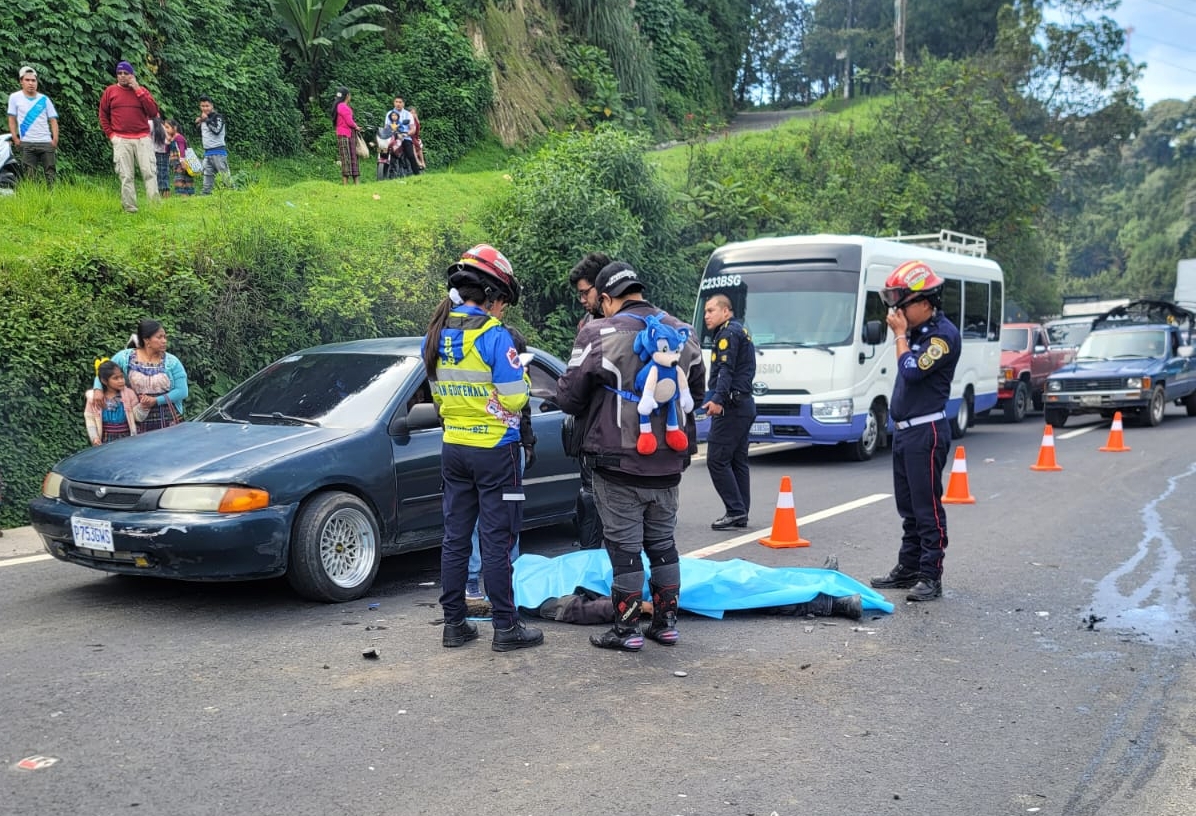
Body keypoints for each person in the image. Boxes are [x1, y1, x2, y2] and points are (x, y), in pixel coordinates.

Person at [555, 262, 706, 651]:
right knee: (662, 543)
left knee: (623, 548)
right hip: (669, 463)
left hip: (617, 462)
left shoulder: (597, 332)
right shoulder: (682, 334)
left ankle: (626, 630)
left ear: (606, 298)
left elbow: (568, 396)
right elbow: (698, 395)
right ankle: (666, 624)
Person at [421, 244, 543, 652]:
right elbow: (514, 399)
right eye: (503, 301)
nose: (504, 310)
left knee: (456, 538)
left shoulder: (438, 334)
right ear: (490, 297)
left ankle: (454, 625)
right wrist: (522, 379)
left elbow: (438, 399)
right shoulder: (494, 335)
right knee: (497, 540)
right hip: (496, 450)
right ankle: (507, 628)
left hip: (454, 446)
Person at [869, 260, 961, 602]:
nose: (897, 311)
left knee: (927, 508)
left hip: (927, 432)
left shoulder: (943, 336)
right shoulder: (918, 331)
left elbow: (911, 371)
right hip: (905, 432)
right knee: (907, 507)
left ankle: (930, 574)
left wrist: (900, 336)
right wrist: (904, 334)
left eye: (903, 304)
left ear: (925, 302)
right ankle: (907, 567)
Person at [466, 324, 536, 601]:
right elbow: (521, 402)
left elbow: (523, 410)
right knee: (503, 519)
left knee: (491, 519)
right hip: (500, 450)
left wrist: (528, 442)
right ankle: (498, 582)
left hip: (484, 449)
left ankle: (499, 580)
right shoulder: (502, 364)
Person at [565, 251, 611, 551]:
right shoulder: (586, 325)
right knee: (589, 500)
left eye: (586, 292)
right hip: (589, 431)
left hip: (614, 432)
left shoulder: (625, 324)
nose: (582, 299)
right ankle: (592, 579)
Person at [701, 294, 757, 530]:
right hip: (744, 405)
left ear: (726, 311)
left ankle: (735, 510)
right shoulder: (740, 330)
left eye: (711, 310)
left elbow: (725, 370)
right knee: (737, 461)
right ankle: (740, 511)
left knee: (716, 459)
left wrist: (717, 399)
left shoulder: (727, 334)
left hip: (731, 407)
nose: (706, 316)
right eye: (705, 312)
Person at [92, 319, 189, 432]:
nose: (164, 341)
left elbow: (182, 391)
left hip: (168, 418)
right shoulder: (125, 357)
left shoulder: (172, 362)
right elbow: (103, 372)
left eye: (165, 337)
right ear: (146, 340)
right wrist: (98, 389)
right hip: (136, 415)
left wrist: (156, 400)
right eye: (159, 337)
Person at [98, 61, 161, 213]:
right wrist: (111, 135)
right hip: (121, 138)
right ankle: (130, 208)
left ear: (132, 75)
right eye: (119, 73)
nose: (122, 76)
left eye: (126, 73)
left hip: (142, 138)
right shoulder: (110, 91)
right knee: (126, 176)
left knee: (149, 172)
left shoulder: (142, 91)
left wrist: (138, 90)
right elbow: (103, 115)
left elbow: (153, 112)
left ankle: (155, 207)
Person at [7, 66, 58, 187]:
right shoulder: (14, 98)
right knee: (29, 176)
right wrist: (15, 137)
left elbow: (53, 120)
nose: (31, 83)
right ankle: (33, 200)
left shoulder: (44, 99)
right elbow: (12, 118)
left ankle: (51, 200)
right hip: (27, 143)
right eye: (27, 80)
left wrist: (55, 139)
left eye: (33, 80)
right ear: (21, 81)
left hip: (46, 142)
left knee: (50, 174)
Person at [85, 360, 147, 445]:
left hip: (128, 440)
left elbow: (137, 417)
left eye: (121, 377)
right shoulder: (94, 399)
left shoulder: (129, 394)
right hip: (106, 440)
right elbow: (90, 420)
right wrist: (94, 437)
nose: (121, 381)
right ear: (104, 381)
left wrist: (143, 406)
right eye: (115, 378)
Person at [194, 95, 230, 194]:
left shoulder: (218, 117)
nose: (205, 108)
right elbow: (201, 134)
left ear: (212, 106)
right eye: (202, 106)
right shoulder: (204, 118)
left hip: (218, 151)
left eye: (207, 106)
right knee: (207, 175)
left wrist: (206, 120)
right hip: (207, 152)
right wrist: (198, 123)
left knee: (224, 175)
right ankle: (206, 194)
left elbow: (217, 130)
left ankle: (231, 192)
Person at [331, 87, 360, 185]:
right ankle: (355, 183)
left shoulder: (337, 106)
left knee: (345, 158)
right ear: (347, 96)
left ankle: (345, 184)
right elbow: (349, 121)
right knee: (352, 159)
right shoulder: (343, 106)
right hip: (347, 135)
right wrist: (357, 127)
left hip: (342, 134)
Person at [387, 96, 421, 176]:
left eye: (400, 102)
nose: (398, 104)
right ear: (394, 102)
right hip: (392, 137)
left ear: (403, 104)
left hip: (405, 137)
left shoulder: (408, 114)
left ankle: (417, 174)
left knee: (410, 155)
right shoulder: (389, 113)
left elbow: (413, 129)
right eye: (396, 102)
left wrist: (406, 134)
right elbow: (386, 126)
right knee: (384, 149)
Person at [164, 119, 193, 196]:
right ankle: (185, 195)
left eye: (167, 127)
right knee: (181, 178)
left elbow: (182, 149)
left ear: (174, 128)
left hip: (181, 163)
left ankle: (184, 195)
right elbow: (166, 151)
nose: (165, 130)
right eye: (165, 128)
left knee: (181, 179)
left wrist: (182, 161)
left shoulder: (179, 137)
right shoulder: (171, 138)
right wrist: (167, 142)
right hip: (176, 164)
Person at [150, 116, 170, 198]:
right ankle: (166, 194)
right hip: (164, 152)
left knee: (157, 174)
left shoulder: (150, 124)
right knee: (164, 173)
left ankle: (162, 195)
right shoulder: (163, 125)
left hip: (155, 152)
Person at [408, 104, 425, 170]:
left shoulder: (416, 121)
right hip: (407, 136)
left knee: (416, 146)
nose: (413, 114)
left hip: (413, 136)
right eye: (411, 113)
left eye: (414, 113)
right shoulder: (406, 119)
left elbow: (417, 130)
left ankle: (421, 161)